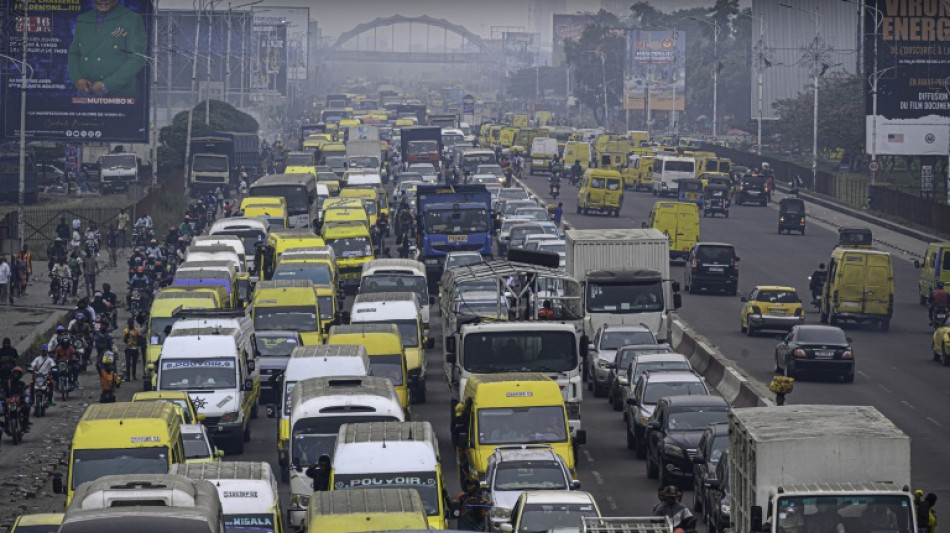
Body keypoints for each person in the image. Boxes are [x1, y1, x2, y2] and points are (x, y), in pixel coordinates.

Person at [66, 0, 146, 99]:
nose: (102, 1)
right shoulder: (83, 19)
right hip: (86, 95)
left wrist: (108, 85)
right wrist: (78, 78)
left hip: (120, 96)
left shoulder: (132, 19)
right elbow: (74, 53)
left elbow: (138, 58)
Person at [1, 366, 31, 432]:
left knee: (27, 407)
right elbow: (2, 391)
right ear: (12, 373)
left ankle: (25, 425)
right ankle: (3, 426)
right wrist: (4, 397)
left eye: (18, 373)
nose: (16, 375)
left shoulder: (22, 384)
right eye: (15, 373)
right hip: (8, 402)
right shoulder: (7, 383)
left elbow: (25, 392)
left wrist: (25, 397)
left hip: (18, 402)